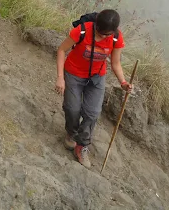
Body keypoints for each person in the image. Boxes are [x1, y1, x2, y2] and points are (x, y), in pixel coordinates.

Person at [55, 9, 132, 168]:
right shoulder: (82, 30)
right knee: (72, 109)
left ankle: (81, 145)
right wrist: (60, 78)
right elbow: (62, 50)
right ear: (95, 25)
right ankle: (71, 132)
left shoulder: (116, 38)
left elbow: (115, 63)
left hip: (96, 78)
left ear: (113, 32)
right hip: (74, 74)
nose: (102, 37)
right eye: (99, 32)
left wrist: (123, 82)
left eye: (106, 35)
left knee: (92, 113)